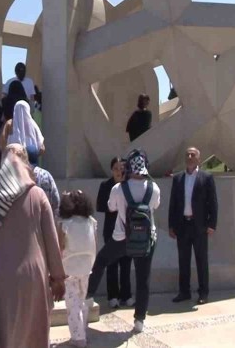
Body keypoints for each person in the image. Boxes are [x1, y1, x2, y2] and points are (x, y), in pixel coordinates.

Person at [0, 146, 66, 347]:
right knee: (30, 336)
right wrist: (57, 278)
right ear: (26, 165)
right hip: (31, 278)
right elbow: (52, 242)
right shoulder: (38, 195)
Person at [86, 149, 160, 334]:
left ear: (128, 168)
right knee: (143, 279)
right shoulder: (154, 188)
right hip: (146, 239)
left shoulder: (118, 189)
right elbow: (155, 206)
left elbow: (111, 207)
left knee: (101, 261)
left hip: (121, 237)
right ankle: (139, 320)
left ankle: (88, 296)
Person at [169, 147, 218, 305]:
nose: (189, 157)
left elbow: (213, 203)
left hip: (200, 226)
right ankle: (184, 292)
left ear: (199, 158)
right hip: (183, 225)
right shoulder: (178, 179)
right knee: (183, 260)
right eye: (187, 154)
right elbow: (173, 204)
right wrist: (171, 225)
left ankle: (203, 293)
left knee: (201, 260)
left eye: (193, 154)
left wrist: (212, 224)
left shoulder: (206, 177)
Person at [57, 190, 97, 348]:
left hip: (69, 268)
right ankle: (82, 330)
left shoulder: (65, 224)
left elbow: (60, 246)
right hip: (87, 267)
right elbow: (95, 243)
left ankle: (78, 338)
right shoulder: (91, 221)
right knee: (81, 300)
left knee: (72, 304)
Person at [96, 157, 132, 308]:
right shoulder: (106, 185)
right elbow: (99, 206)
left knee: (126, 264)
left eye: (122, 168)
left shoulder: (129, 185)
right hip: (111, 229)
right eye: (116, 168)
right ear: (112, 170)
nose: (119, 171)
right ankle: (113, 295)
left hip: (127, 229)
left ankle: (126, 295)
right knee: (111, 264)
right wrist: (114, 206)